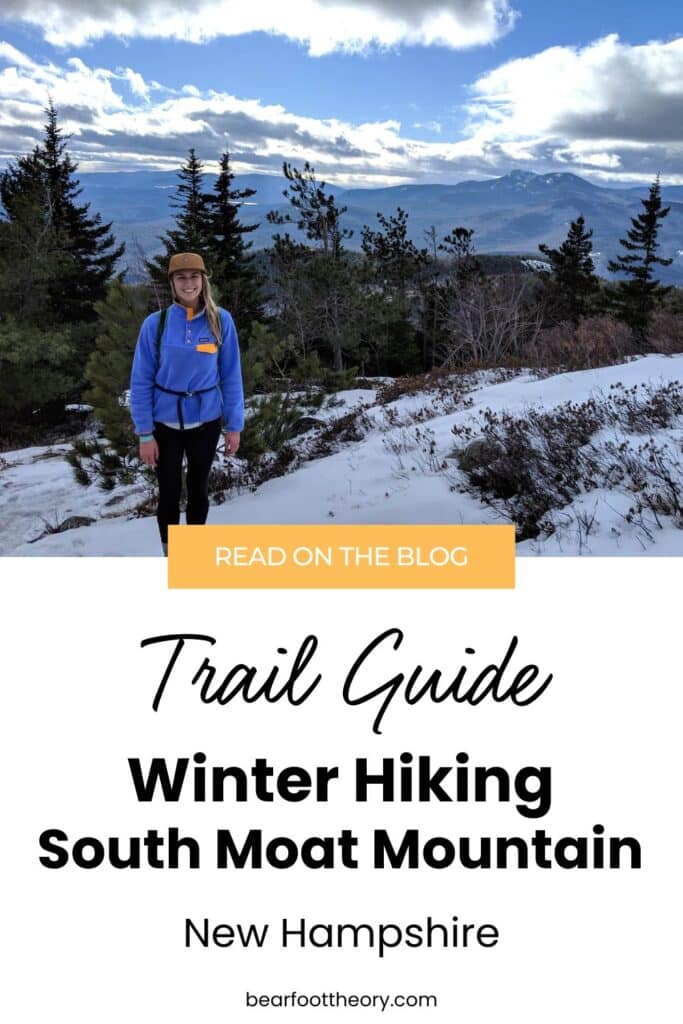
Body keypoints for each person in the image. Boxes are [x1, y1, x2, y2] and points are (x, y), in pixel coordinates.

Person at [130, 252, 244, 555]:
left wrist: (234, 426)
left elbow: (231, 375)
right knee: (168, 494)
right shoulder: (155, 325)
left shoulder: (220, 321)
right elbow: (140, 382)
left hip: (205, 422)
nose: (188, 283)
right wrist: (144, 433)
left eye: (195, 277)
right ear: (172, 282)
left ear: (203, 280)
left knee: (198, 490)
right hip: (164, 424)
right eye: (181, 277)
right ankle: (171, 555)